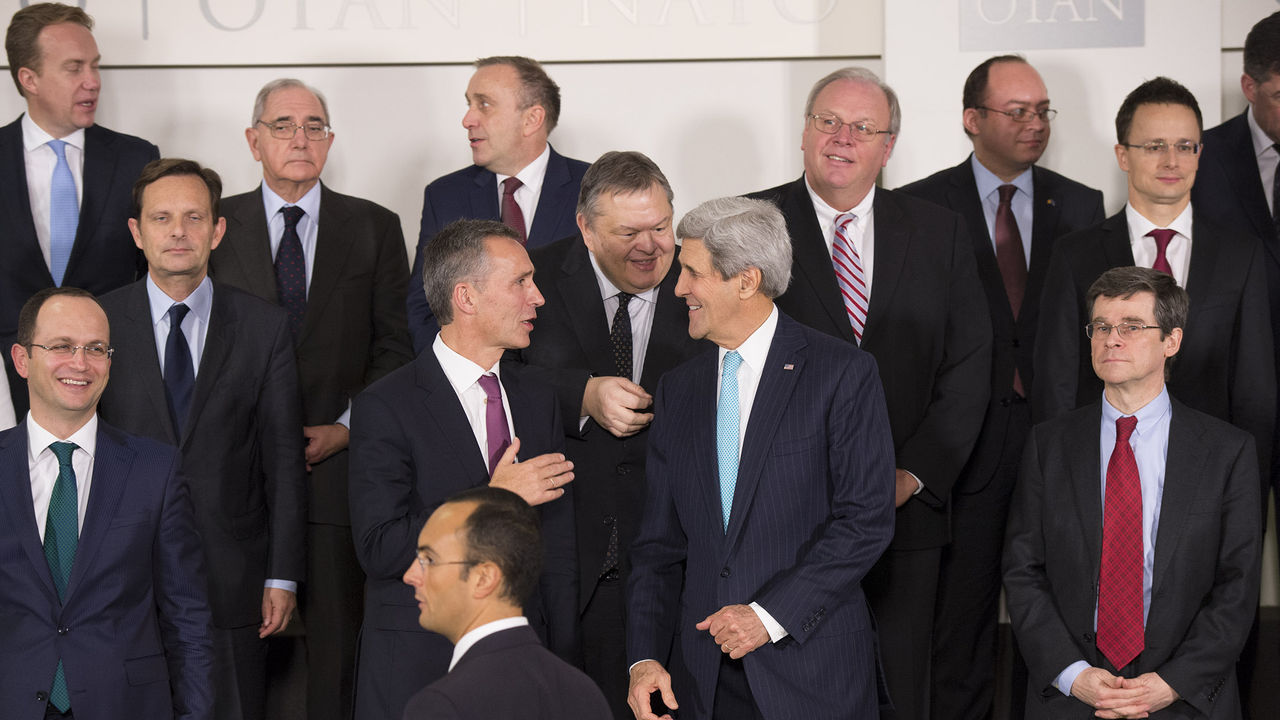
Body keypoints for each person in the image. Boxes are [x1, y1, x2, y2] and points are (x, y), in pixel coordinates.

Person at [747, 66, 991, 720]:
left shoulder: (941, 231)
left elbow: (970, 367)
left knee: (901, 692)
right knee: (793, 689)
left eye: (863, 127)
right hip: (784, 519)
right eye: (828, 121)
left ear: (888, 146)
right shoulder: (749, 224)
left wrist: (912, 474)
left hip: (902, 518)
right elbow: (724, 363)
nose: (841, 138)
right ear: (804, 131)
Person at [626, 196, 896, 720]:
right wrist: (644, 658)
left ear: (746, 281)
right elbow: (658, 547)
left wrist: (767, 616)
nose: (677, 288)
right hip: (702, 682)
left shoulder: (842, 373)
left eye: (692, 273)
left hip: (809, 668)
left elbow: (865, 522)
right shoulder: (678, 390)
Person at [896, 55, 1104, 719]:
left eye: (1042, 111)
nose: (1034, 124)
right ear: (971, 119)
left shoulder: (1080, 203)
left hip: (1058, 439)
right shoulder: (921, 205)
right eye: (1017, 111)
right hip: (964, 445)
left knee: (1066, 612)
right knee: (963, 618)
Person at [209, 78, 413, 720]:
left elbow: (395, 347)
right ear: (253, 140)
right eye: (282, 125)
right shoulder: (214, 226)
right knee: (238, 659)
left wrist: (347, 428)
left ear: (330, 140)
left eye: (314, 125)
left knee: (333, 662)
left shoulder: (375, 226)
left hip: (335, 478)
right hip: (235, 479)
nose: (300, 138)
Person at [96, 158, 307, 720]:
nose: (178, 231)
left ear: (217, 230)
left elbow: (283, 460)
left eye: (194, 217)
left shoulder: (265, 327)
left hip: (233, 582)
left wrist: (282, 574)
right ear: (138, 233)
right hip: (118, 579)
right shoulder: (98, 325)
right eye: (161, 218)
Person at [1004, 266, 1261, 719]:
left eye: (1132, 327)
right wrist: (1072, 674)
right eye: (1101, 327)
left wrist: (1172, 683)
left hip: (1185, 698)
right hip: (1071, 695)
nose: (1111, 339)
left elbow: (1237, 587)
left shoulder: (1228, 451)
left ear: (1172, 342)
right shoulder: (1049, 444)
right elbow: (1023, 570)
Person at [348, 219, 577, 720]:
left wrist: (562, 661)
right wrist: (495, 496)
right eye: (520, 282)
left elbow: (558, 549)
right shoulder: (385, 406)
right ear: (466, 297)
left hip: (527, 669)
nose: (537, 297)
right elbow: (380, 546)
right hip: (418, 665)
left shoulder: (539, 400)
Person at [509, 149, 708, 717]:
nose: (650, 246)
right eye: (629, 232)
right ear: (586, 229)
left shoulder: (707, 277)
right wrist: (581, 394)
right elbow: (490, 374)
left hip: (677, 563)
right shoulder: (532, 279)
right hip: (566, 561)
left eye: (661, 226)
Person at [1034, 77, 1274, 482]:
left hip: (1210, 478)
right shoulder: (1076, 254)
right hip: (1104, 471)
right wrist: (1063, 483)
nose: (1172, 161)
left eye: (1185, 146)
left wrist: (1249, 492)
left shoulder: (1240, 254)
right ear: (1122, 155)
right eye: (1154, 146)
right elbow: (1056, 383)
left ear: (1200, 154)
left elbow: (1255, 389)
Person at [1, 286, 213, 719]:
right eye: (61, 346)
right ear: (22, 359)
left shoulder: (157, 469)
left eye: (95, 348)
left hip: (126, 704)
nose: (80, 363)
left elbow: (187, 619)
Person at [0, 2, 159, 416]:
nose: (92, 82)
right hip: (7, 388)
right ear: (29, 78)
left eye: (95, 66)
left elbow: (151, 273)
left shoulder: (136, 159)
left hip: (115, 384)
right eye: (74, 68)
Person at [407, 56, 589, 351]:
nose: (468, 120)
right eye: (469, 104)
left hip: (573, 388)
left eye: (484, 104)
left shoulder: (594, 189)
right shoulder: (444, 195)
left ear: (532, 119)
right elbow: (425, 304)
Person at [400, 486, 611, 719]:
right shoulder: (585, 693)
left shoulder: (440, 706)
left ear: (484, 578)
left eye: (428, 559)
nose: (410, 575)